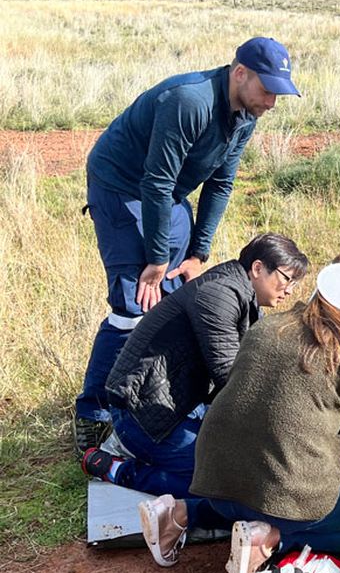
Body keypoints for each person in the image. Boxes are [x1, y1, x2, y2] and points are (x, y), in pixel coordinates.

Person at [74, 37, 302, 453]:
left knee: (178, 293)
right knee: (132, 303)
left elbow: (221, 181)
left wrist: (198, 252)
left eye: (278, 92)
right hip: (121, 184)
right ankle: (94, 414)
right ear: (239, 74)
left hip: (167, 192)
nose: (272, 101)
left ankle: (161, 399)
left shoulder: (246, 113)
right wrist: (156, 260)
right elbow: (155, 182)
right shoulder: (188, 101)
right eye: (267, 89)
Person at [137, 260, 340, 573]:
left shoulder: (270, 325)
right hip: (283, 487)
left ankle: (177, 513)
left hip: (213, 477)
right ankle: (269, 540)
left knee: (253, 486)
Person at [80, 233, 308, 497]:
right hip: (143, 413)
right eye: (287, 279)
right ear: (257, 268)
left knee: (246, 465)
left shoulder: (243, 296)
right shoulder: (219, 295)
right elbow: (231, 376)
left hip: (179, 405)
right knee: (214, 484)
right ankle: (116, 467)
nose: (290, 290)